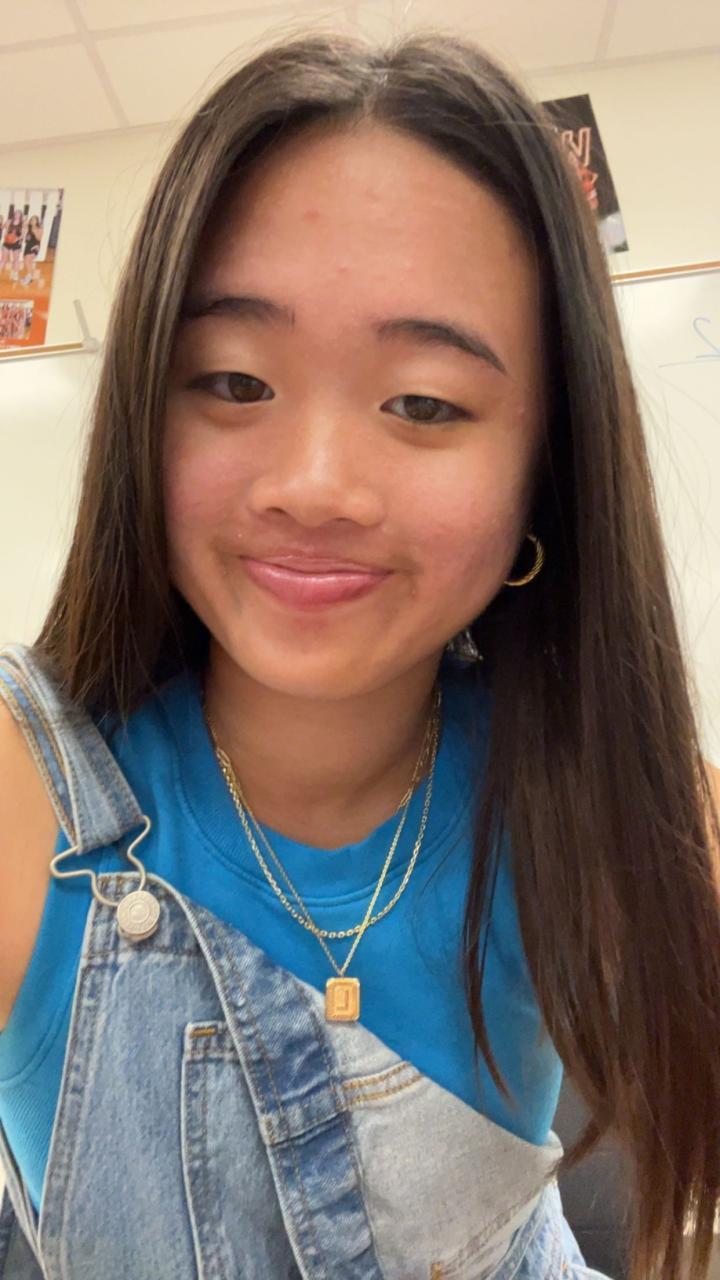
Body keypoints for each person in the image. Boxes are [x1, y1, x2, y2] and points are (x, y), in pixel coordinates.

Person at [0, 28, 719, 1280]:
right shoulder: (26, 794)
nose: (315, 484)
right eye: (234, 382)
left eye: (424, 402)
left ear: (545, 468)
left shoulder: (611, 789)